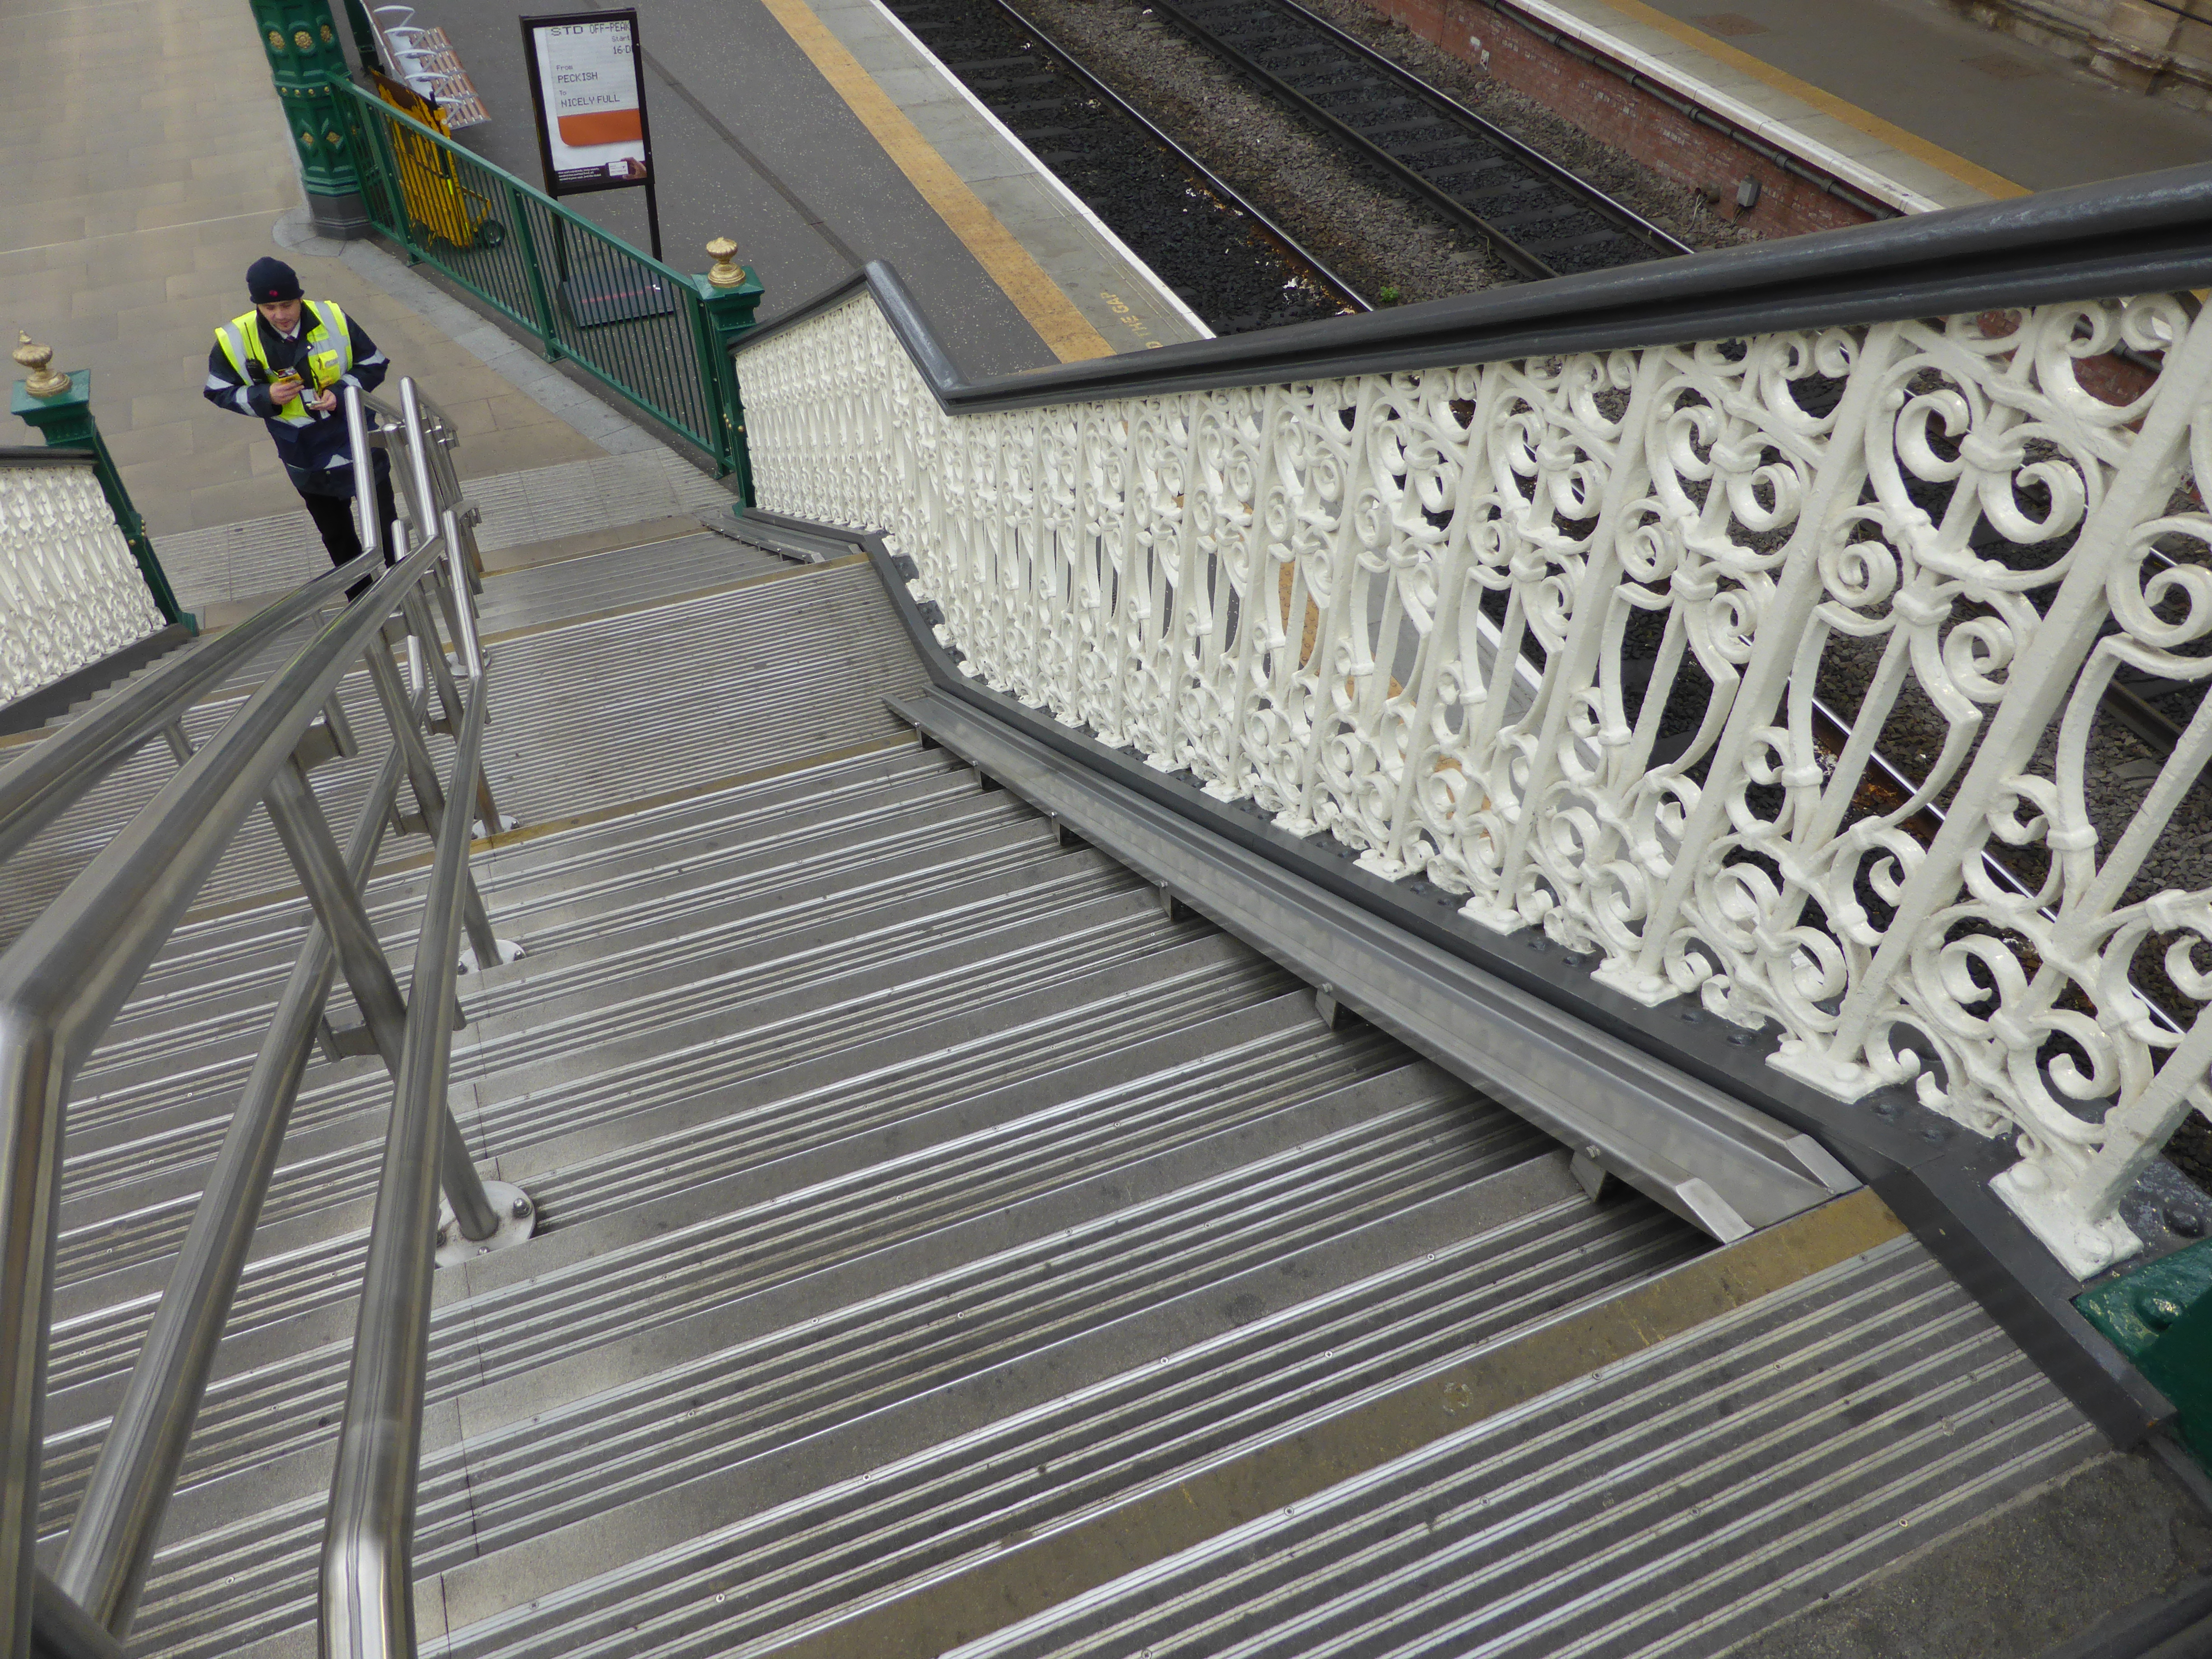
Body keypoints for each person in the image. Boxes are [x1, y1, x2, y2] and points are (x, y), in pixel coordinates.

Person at [204, 257, 398, 594]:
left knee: (384, 520)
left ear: (300, 298)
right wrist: (266, 396)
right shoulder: (235, 338)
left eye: (287, 304)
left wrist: (340, 394)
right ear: (258, 306)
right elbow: (219, 391)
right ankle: (362, 597)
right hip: (305, 454)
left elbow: (374, 364)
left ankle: (402, 578)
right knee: (336, 534)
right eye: (270, 307)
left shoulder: (332, 318)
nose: (281, 315)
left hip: (355, 437)